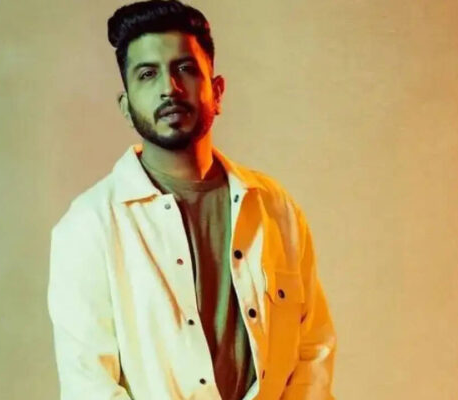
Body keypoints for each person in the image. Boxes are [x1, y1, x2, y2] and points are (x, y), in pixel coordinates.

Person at [47, 1, 336, 399]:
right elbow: (88, 384)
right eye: (147, 74)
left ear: (216, 92)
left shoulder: (274, 208)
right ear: (126, 107)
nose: (169, 88)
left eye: (185, 68)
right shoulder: (89, 225)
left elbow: (312, 346)